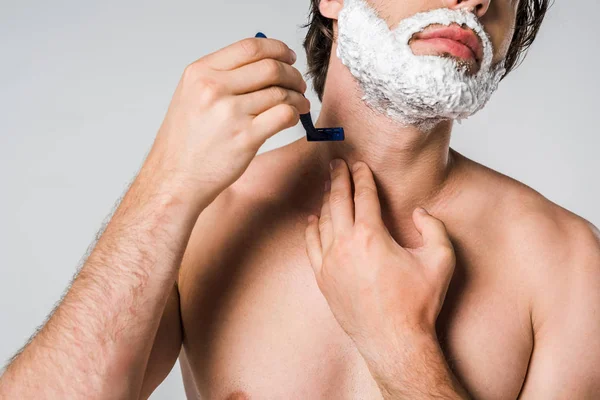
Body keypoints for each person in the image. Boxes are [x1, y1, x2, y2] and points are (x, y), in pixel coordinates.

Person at [2, 0, 599, 398]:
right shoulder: (209, 217)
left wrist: (401, 346)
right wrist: (164, 185)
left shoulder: (567, 263)